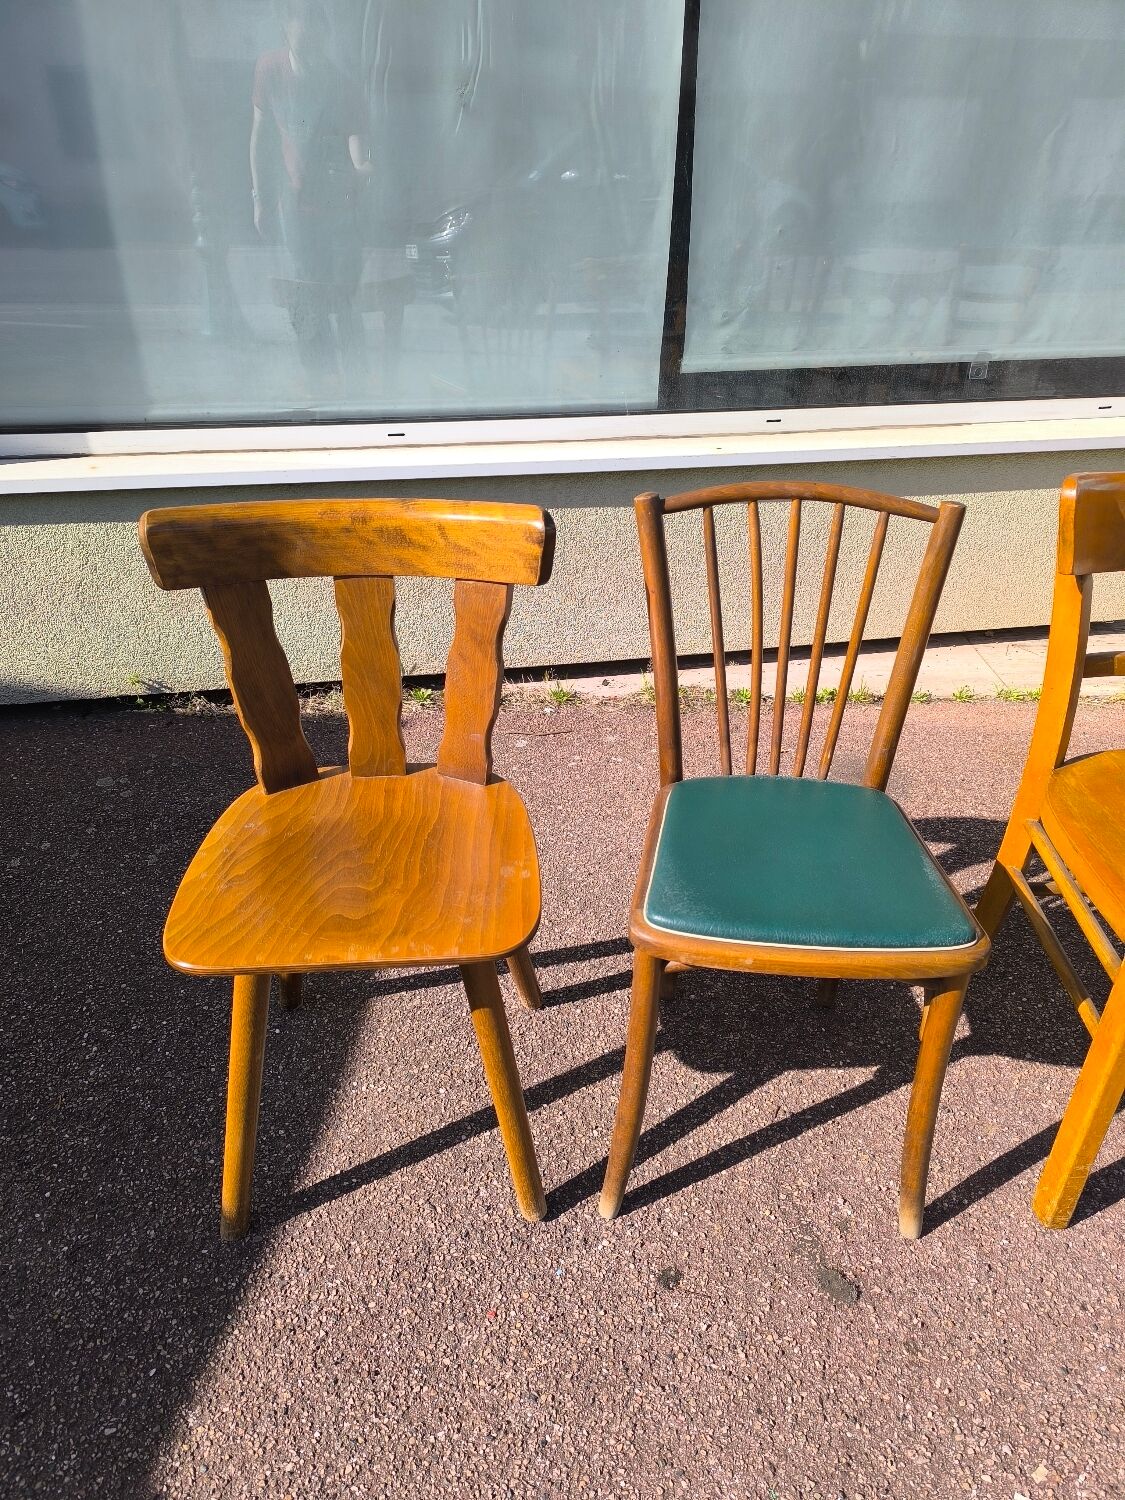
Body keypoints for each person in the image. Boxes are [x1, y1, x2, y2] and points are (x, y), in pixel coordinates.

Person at [250, 0, 373, 387]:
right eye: (299, 24)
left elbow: (356, 134)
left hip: (340, 205)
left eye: (315, 28)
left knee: (344, 293)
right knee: (306, 291)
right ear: (286, 28)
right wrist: (260, 197)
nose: (308, 34)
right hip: (295, 204)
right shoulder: (270, 70)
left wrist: (359, 168)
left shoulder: (340, 82)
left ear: (325, 35)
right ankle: (320, 377)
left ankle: (355, 379)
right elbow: (260, 132)